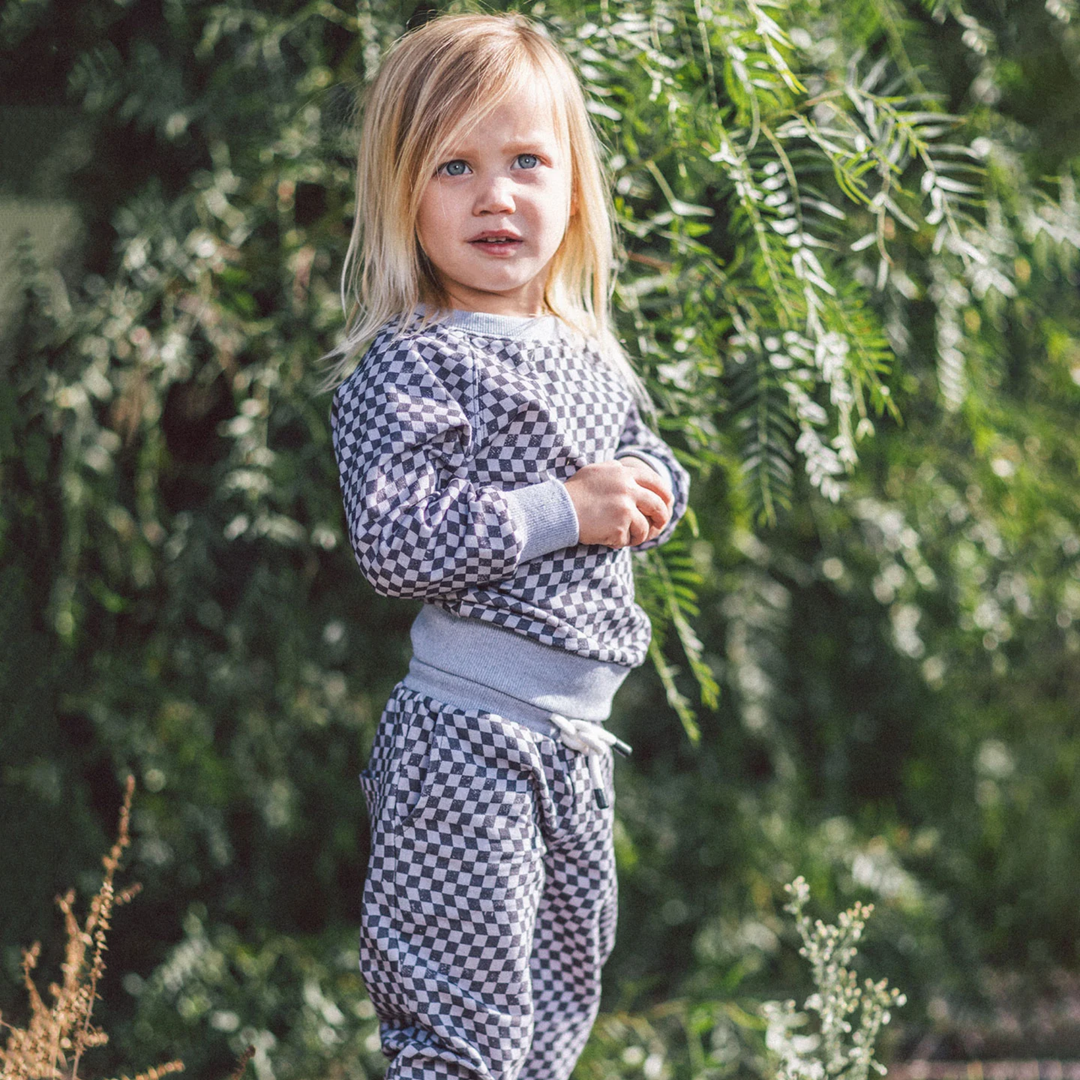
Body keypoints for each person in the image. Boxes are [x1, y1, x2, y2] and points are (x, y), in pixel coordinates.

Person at [328, 13, 689, 1079]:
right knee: (460, 1036)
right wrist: (565, 510)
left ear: (574, 184)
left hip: (575, 751)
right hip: (469, 741)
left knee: (544, 1037)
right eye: (456, 166)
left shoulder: (587, 353)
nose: (497, 195)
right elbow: (397, 543)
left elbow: (649, 455)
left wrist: (659, 488)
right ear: (404, 193)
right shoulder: (411, 365)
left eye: (527, 161)